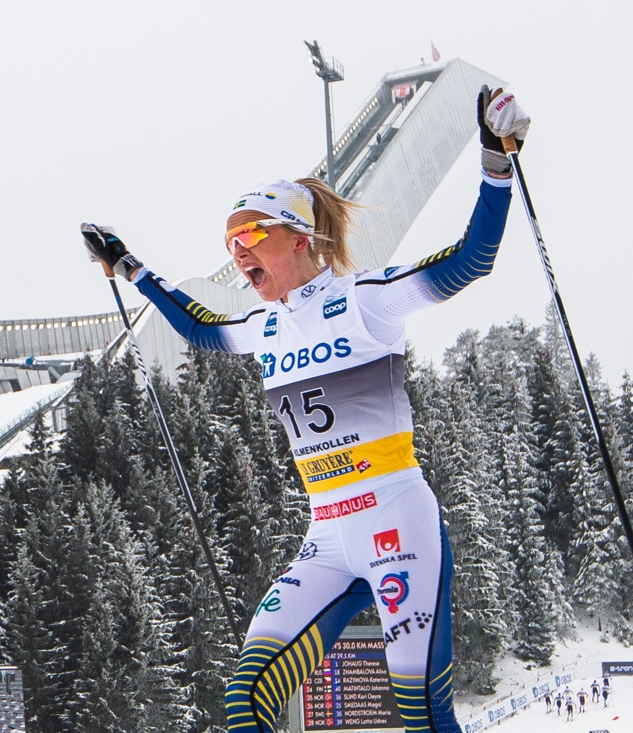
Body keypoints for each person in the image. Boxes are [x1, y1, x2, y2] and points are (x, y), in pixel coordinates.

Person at [81, 85, 529, 733]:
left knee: (422, 713)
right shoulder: (265, 327)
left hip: (396, 519)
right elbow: (199, 324)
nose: (238, 251)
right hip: (327, 536)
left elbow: (472, 259)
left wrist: (494, 160)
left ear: (298, 238)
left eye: (251, 234)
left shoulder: (365, 299)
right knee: (246, 702)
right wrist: (128, 265)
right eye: (230, 241)